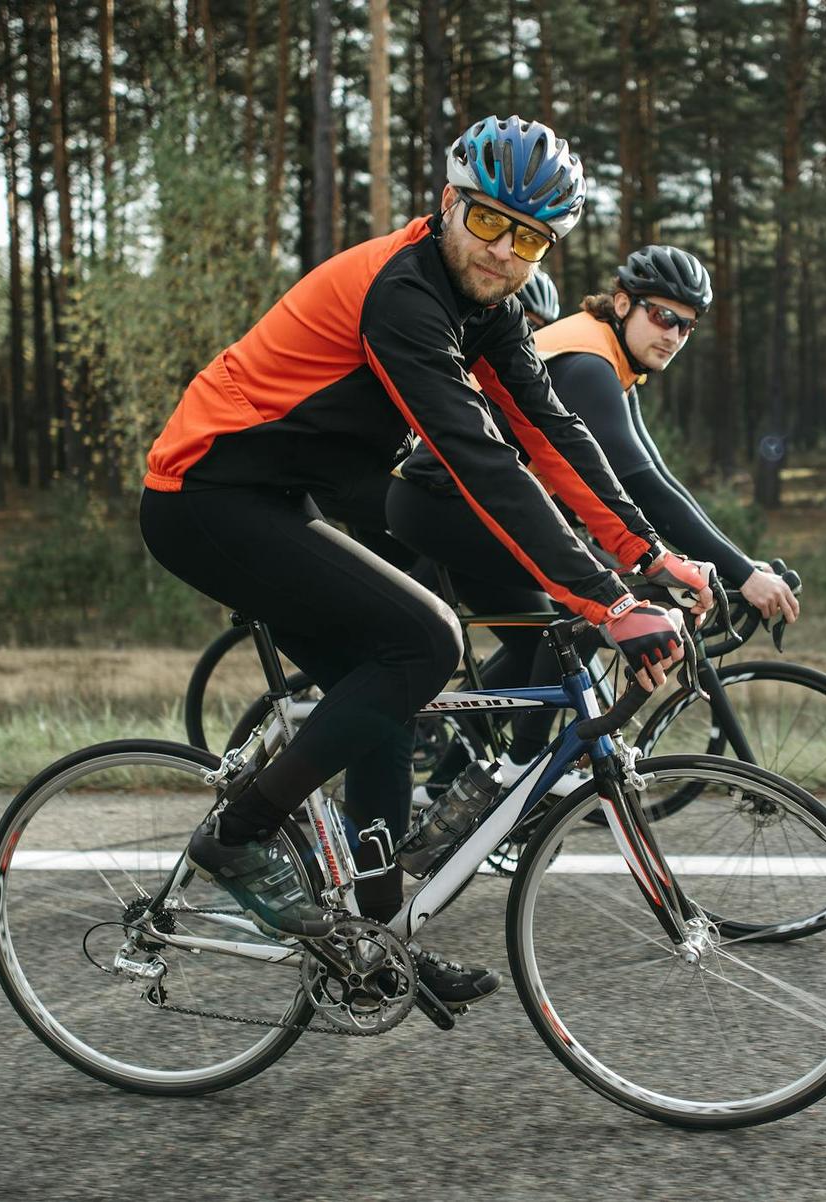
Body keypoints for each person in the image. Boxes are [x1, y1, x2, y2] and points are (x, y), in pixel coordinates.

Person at [137, 115, 712, 1006]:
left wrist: (649, 554)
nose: (502, 251)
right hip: (203, 493)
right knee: (427, 642)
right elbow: (480, 457)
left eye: (529, 237)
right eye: (488, 221)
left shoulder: (493, 309)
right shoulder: (403, 295)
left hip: (277, 497)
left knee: (394, 690)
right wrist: (607, 600)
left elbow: (550, 433)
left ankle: (372, 946)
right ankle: (240, 834)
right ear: (449, 202)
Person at [388, 244, 796, 789]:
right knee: (593, 601)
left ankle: (449, 786)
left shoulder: (610, 360)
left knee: (540, 642)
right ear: (623, 303)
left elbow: (658, 477)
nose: (673, 335)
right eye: (662, 316)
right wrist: (743, 574)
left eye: (687, 326)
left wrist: (732, 563)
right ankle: (522, 766)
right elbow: (641, 484)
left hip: (462, 504)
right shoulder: (586, 363)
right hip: (441, 503)